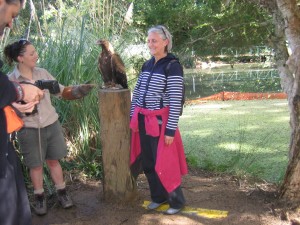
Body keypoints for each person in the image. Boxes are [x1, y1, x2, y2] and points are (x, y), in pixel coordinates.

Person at [4, 40, 93, 216]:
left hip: (51, 124)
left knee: (54, 160)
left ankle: (62, 193)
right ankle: (39, 198)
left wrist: (77, 91)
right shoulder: (11, 80)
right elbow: (8, 108)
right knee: (35, 165)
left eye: (35, 51)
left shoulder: (42, 72)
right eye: (31, 53)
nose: (36, 55)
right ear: (20, 58)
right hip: (28, 129)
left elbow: (61, 91)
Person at [129, 25, 188, 215]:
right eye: (148, 41)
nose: (150, 44)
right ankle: (158, 197)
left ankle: (176, 202)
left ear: (165, 42)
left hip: (162, 124)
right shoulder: (146, 65)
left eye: (154, 40)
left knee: (165, 163)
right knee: (148, 162)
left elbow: (176, 99)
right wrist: (133, 117)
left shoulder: (172, 66)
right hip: (143, 121)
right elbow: (137, 93)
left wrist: (170, 130)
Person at [0, 0, 45, 224]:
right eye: (12, 14)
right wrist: (18, 91)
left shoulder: (42, 71)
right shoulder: (12, 77)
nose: (10, 23)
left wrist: (10, 104)